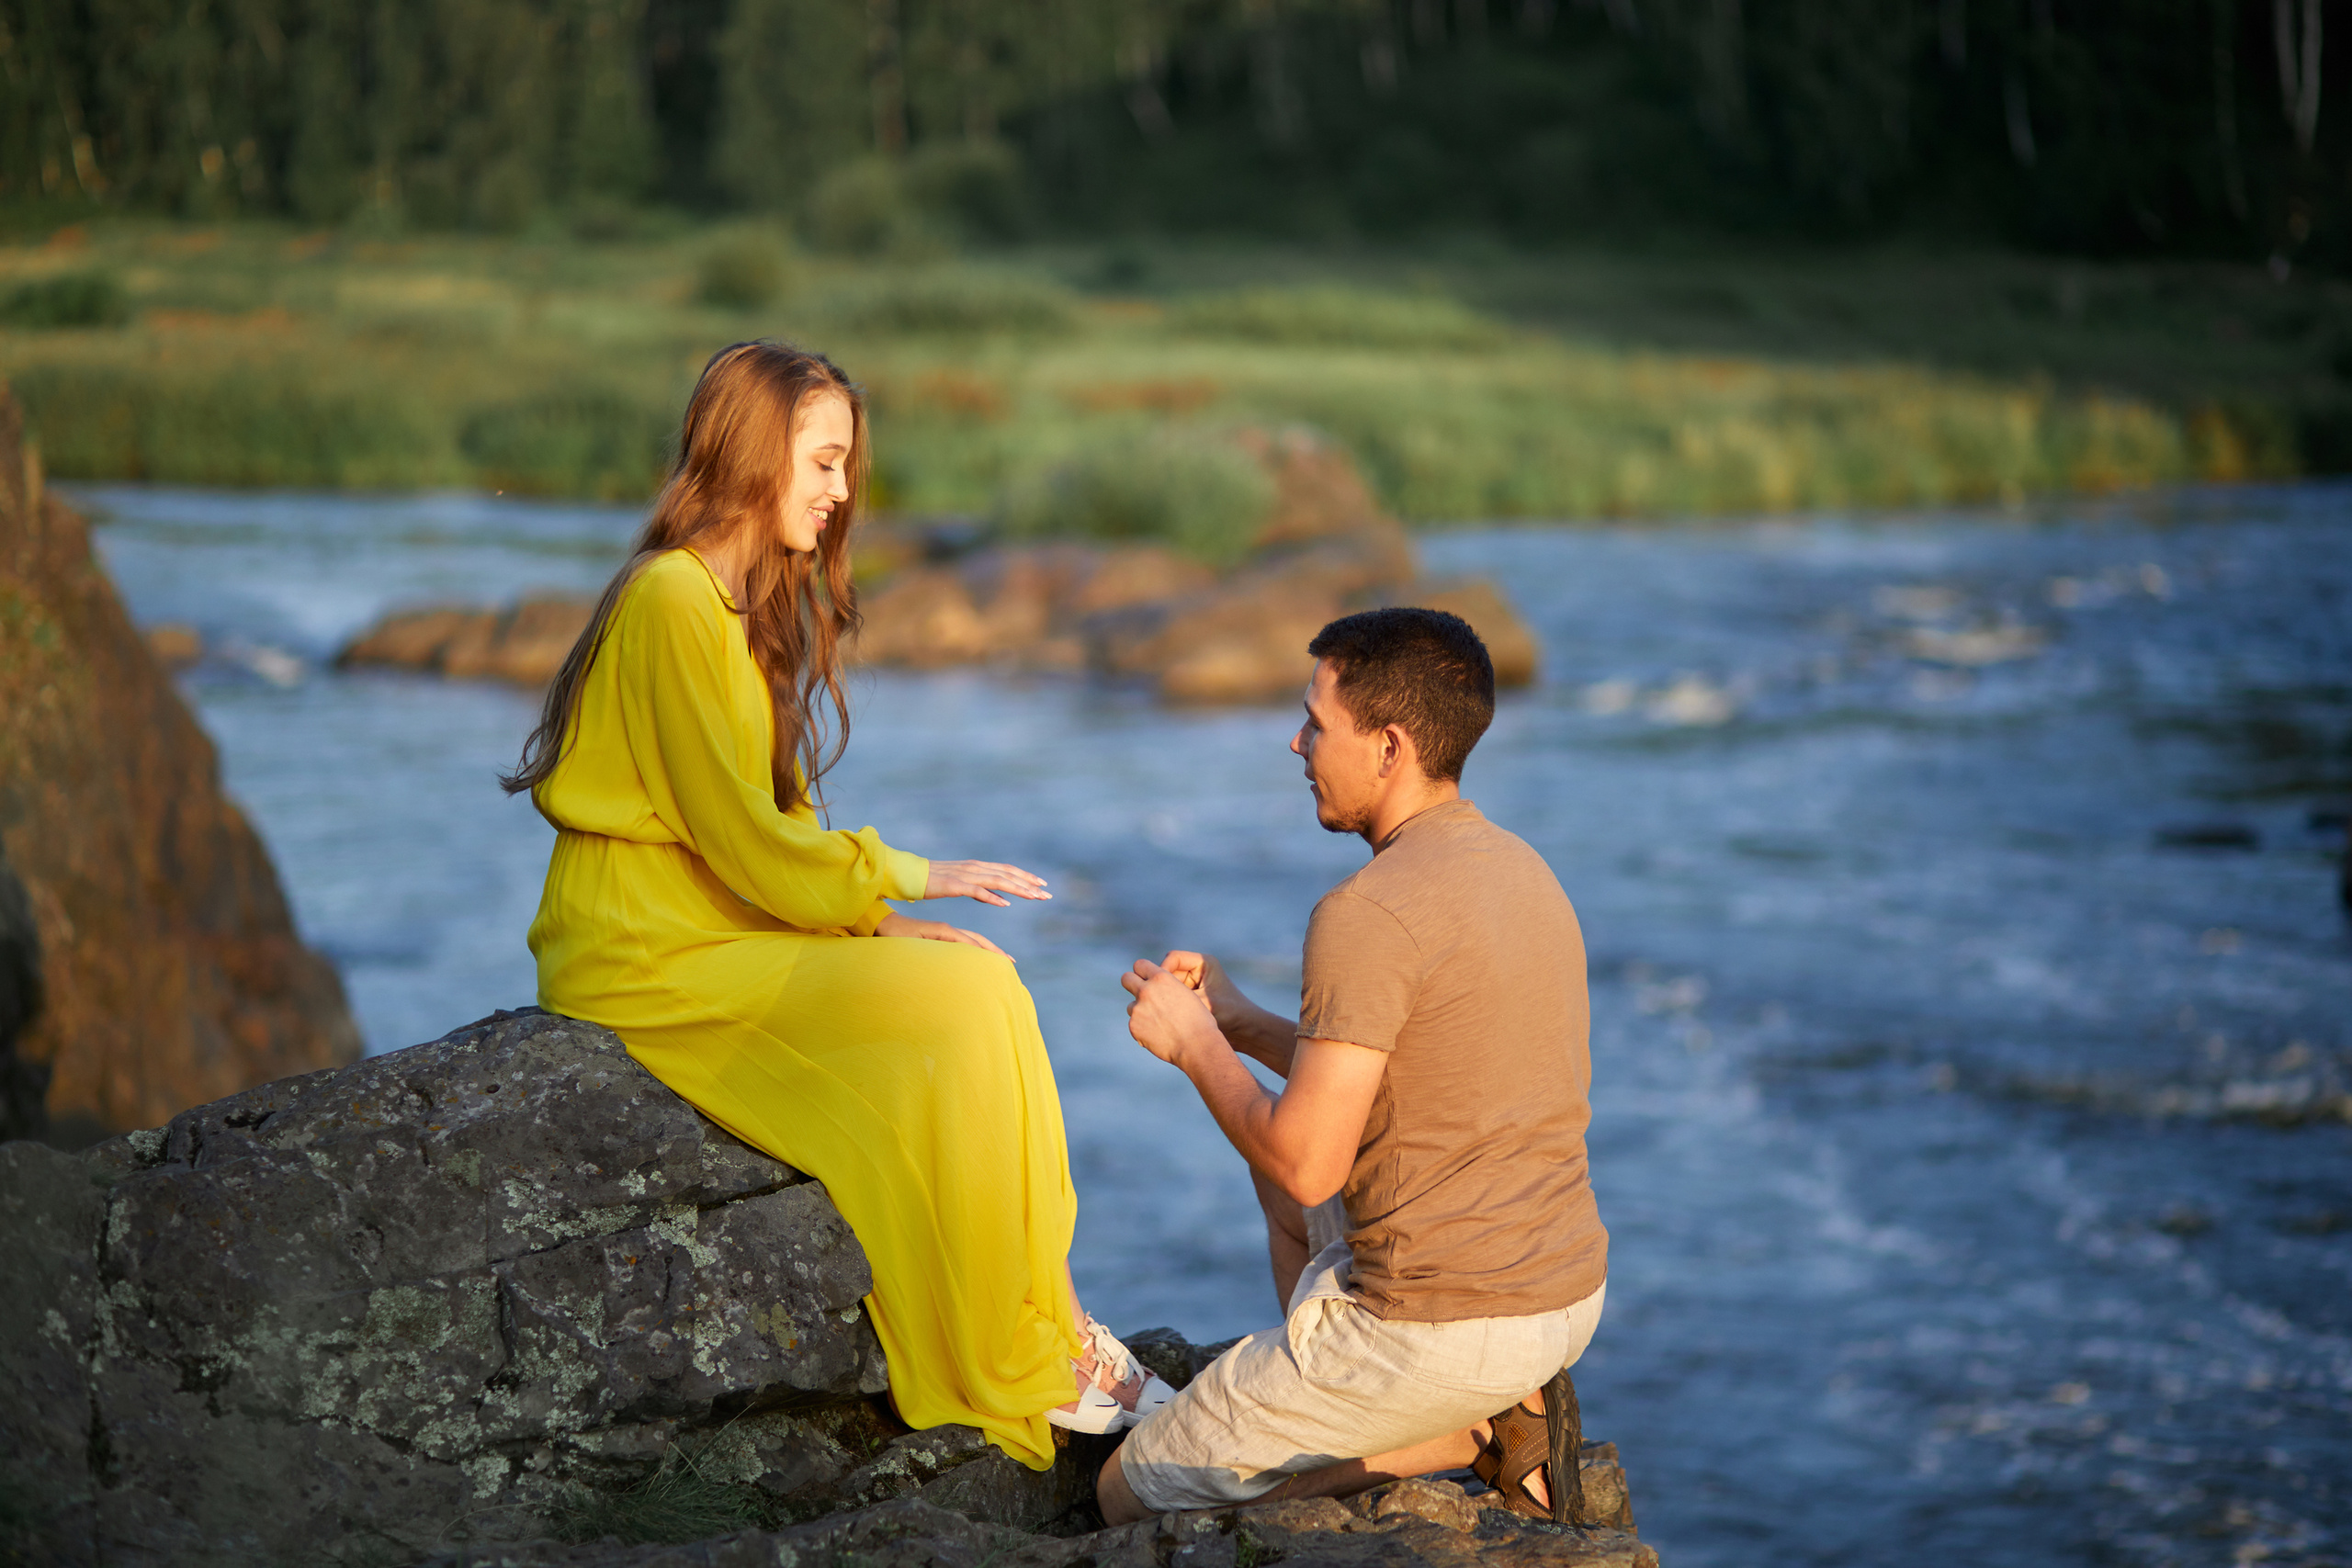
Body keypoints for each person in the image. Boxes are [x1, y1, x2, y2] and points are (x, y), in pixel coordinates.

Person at [504, 340, 1170, 1467]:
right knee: (960, 1006)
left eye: (845, 464)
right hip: (643, 948)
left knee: (984, 982)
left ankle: (1050, 1323)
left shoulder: (729, 606)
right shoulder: (669, 600)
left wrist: (885, 926)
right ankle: (1019, 1349)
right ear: (754, 455)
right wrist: (912, 873)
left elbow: (777, 833)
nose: (842, 490)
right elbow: (739, 836)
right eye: (822, 461)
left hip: (717, 922)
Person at [1098, 607, 1608, 1522]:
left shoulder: (1365, 912)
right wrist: (1244, 1024)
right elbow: (1418, 1070)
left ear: (1388, 746)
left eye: (1315, 724)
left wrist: (1192, 1045)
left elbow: (1308, 1160)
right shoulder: (1520, 868)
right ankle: (1453, 1402)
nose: (1296, 743)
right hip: (1562, 1299)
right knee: (1282, 1186)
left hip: (1442, 1332)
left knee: (1129, 1492)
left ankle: (1445, 1436)